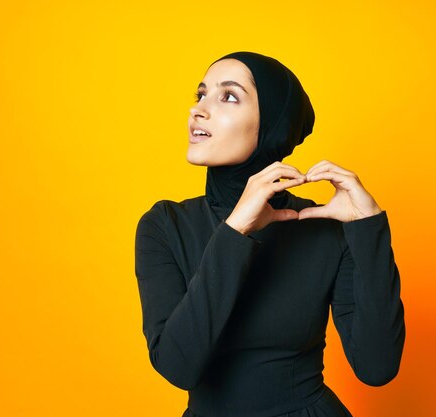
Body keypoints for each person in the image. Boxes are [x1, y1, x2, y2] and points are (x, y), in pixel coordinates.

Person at [134, 51, 406, 417]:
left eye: (228, 96)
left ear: (271, 127)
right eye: (200, 94)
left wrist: (368, 228)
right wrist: (235, 231)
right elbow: (177, 365)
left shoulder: (320, 225)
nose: (197, 110)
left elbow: (377, 368)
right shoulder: (164, 225)